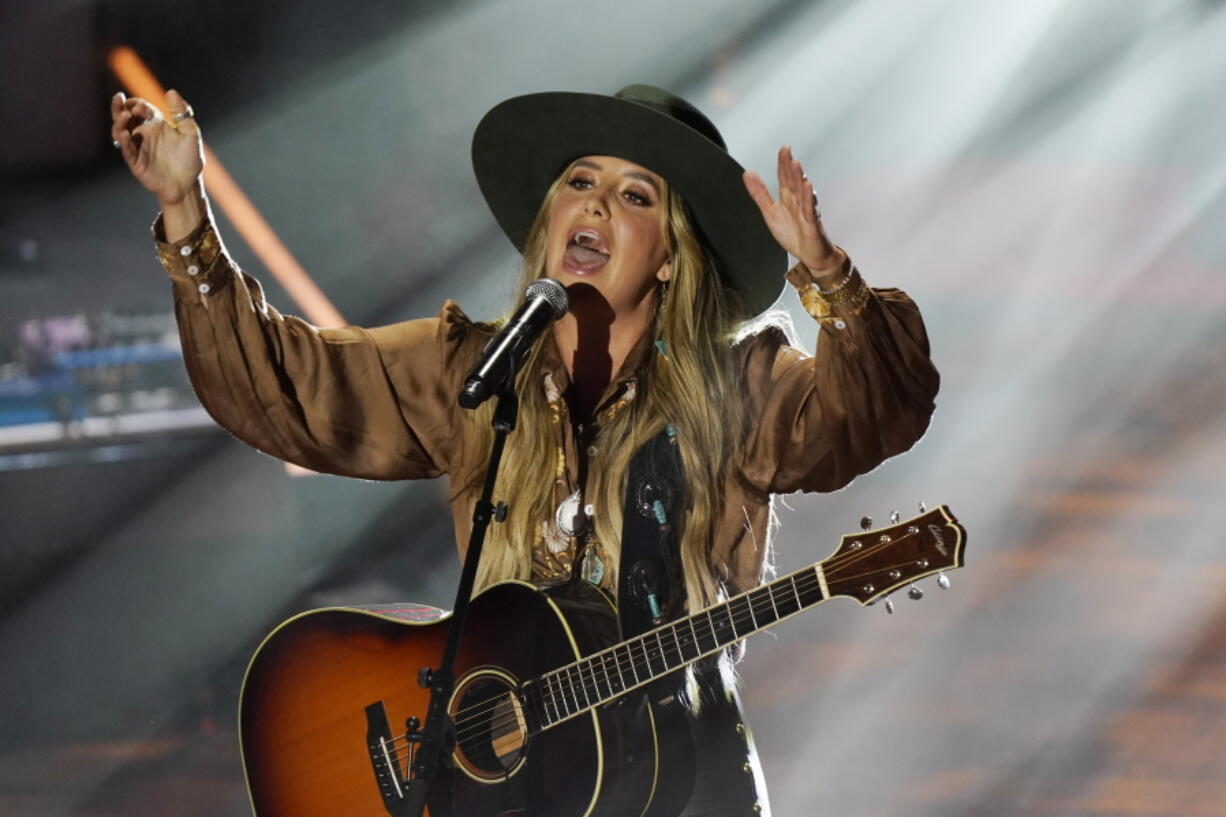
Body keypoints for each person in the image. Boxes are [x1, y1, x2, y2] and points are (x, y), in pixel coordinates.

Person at [111, 83, 938, 816]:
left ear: (674, 258)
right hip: (511, 791)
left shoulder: (741, 391)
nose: (595, 205)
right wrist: (186, 214)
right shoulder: (474, 371)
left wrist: (829, 272)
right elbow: (287, 391)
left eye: (634, 194)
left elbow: (873, 412)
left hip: (681, 787)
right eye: (580, 182)